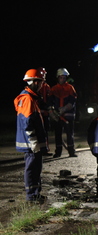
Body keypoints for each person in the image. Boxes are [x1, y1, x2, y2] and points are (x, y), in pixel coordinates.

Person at [14, 69, 48, 202]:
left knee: (36, 167)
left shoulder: (30, 98)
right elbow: (26, 121)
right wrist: (33, 140)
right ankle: (31, 196)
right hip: (30, 142)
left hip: (31, 141)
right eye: (39, 82)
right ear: (33, 82)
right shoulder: (27, 99)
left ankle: (35, 193)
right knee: (32, 168)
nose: (41, 85)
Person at [48, 68, 77, 158]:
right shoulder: (53, 89)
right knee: (58, 134)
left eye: (64, 77)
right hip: (57, 116)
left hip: (68, 115)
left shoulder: (70, 88)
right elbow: (49, 102)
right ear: (58, 78)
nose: (62, 79)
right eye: (61, 77)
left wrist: (64, 109)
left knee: (70, 134)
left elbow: (73, 101)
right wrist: (52, 112)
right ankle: (58, 152)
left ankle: (71, 152)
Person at [37, 67, 53, 156]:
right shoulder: (36, 86)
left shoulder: (46, 86)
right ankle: (38, 150)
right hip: (38, 113)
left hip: (45, 113)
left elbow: (49, 99)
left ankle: (45, 150)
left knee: (45, 131)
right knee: (38, 131)